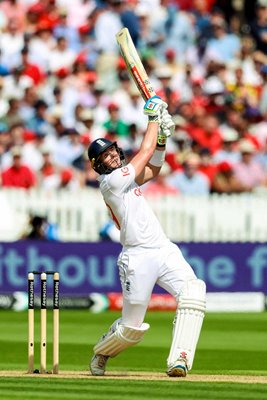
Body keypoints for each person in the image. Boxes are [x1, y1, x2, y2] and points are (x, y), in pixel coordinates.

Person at [87, 95, 206, 378]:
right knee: (131, 328)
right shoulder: (112, 182)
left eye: (113, 151)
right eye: (107, 156)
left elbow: (152, 168)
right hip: (137, 256)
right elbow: (145, 150)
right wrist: (154, 120)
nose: (113, 155)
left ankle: (180, 359)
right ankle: (102, 352)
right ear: (99, 164)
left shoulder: (127, 177)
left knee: (193, 292)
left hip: (163, 249)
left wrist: (163, 138)